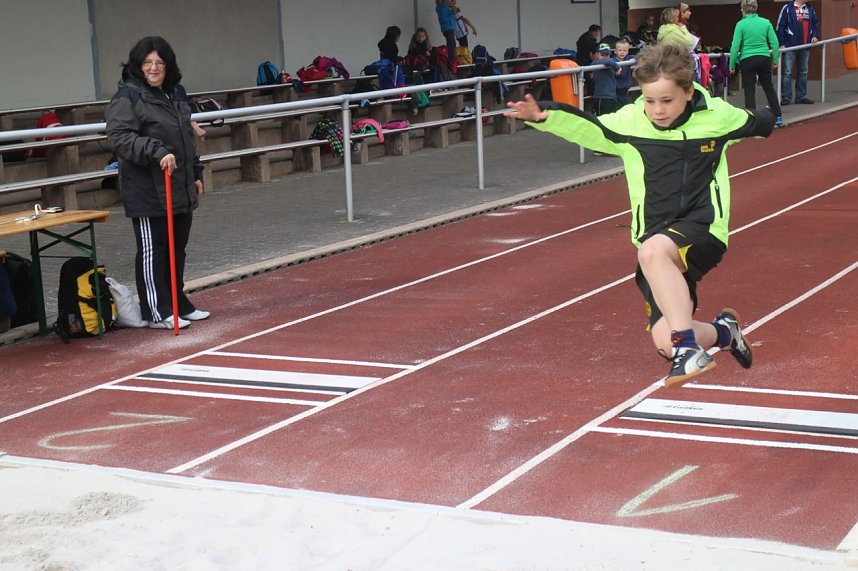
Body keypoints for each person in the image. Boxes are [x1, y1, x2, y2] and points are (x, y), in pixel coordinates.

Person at [504, 43, 775, 387]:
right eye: (650, 101)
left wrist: (767, 117)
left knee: (652, 254)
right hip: (655, 235)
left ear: (689, 92)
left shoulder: (717, 118)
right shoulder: (630, 123)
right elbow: (588, 127)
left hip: (703, 227)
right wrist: (544, 116)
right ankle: (724, 333)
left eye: (667, 100)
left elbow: (759, 122)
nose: (658, 110)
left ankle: (688, 349)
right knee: (665, 343)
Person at [105, 36, 209, 330]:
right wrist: (157, 151)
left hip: (179, 184)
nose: (154, 68)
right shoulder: (127, 97)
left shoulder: (175, 93)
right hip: (148, 189)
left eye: (159, 62)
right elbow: (119, 137)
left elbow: (185, 138)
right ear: (138, 66)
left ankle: (178, 302)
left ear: (168, 65)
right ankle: (156, 309)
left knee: (177, 249)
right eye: (148, 62)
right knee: (154, 250)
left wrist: (196, 173)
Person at [729, 0, 782, 126]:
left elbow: (735, 46)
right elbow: (775, 43)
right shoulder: (765, 22)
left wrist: (732, 65)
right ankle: (778, 116)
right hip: (764, 57)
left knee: (749, 90)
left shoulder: (740, 25)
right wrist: (775, 60)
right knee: (768, 87)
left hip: (747, 59)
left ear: (744, 10)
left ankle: (753, 121)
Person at [776, 0, 819, 105]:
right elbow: (780, 26)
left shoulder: (809, 9)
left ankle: (801, 96)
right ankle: (786, 97)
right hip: (790, 46)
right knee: (787, 72)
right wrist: (782, 43)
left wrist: (814, 36)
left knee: (803, 71)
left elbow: (815, 24)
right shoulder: (787, 8)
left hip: (805, 46)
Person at [591, 43, 620, 115]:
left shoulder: (610, 63)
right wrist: (617, 67)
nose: (605, 57)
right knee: (601, 118)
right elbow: (606, 61)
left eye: (607, 55)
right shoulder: (595, 63)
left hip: (612, 96)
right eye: (602, 55)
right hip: (601, 97)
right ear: (597, 54)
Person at [435, 0, 457, 70]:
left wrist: (453, 10)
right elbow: (445, 19)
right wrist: (452, 12)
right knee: (451, 45)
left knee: (452, 44)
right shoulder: (442, 8)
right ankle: (451, 62)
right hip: (448, 28)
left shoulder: (444, 7)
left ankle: (452, 60)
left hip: (449, 28)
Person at [614, 38, 635, 106]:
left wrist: (633, 60)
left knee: (626, 107)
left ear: (627, 52)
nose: (622, 52)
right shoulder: (613, 61)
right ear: (615, 51)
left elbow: (638, 57)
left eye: (624, 50)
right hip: (615, 92)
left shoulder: (628, 59)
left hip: (626, 91)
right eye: (620, 50)